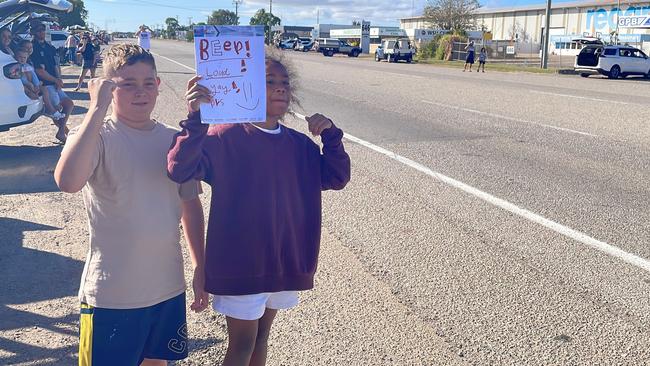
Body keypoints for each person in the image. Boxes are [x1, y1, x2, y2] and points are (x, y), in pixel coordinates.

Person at [167, 48, 351, 366]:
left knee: (261, 338)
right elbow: (179, 169)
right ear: (246, 86)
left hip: (282, 261)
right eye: (268, 80)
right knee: (241, 344)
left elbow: (336, 177)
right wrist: (197, 118)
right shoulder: (224, 137)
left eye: (284, 82)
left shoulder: (300, 145)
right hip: (241, 262)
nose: (280, 87)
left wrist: (331, 137)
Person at [53, 43, 208, 366]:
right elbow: (68, 182)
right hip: (112, 295)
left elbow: (190, 204)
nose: (141, 92)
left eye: (148, 83)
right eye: (127, 84)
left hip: (166, 288)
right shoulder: (95, 136)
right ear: (108, 88)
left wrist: (199, 264)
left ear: (159, 86)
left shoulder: (172, 140)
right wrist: (96, 109)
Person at [30, 22, 74, 143]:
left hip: (54, 83)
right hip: (45, 84)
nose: (41, 32)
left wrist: (58, 80)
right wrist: (55, 80)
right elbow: (39, 70)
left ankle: (63, 133)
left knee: (68, 104)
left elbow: (56, 65)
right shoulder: (32, 48)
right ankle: (66, 134)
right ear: (33, 32)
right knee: (56, 111)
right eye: (38, 30)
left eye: (43, 29)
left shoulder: (50, 47)